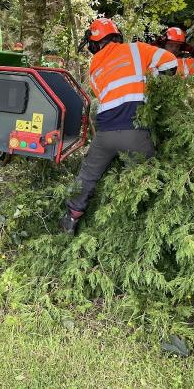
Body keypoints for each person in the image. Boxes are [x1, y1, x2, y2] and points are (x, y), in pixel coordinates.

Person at [60, 18, 178, 235]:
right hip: (135, 131)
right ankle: (145, 225)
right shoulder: (136, 49)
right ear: (116, 36)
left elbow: (102, 94)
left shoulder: (94, 66)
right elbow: (171, 63)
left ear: (95, 44)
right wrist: (151, 80)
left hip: (105, 134)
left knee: (87, 175)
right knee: (144, 178)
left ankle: (71, 218)